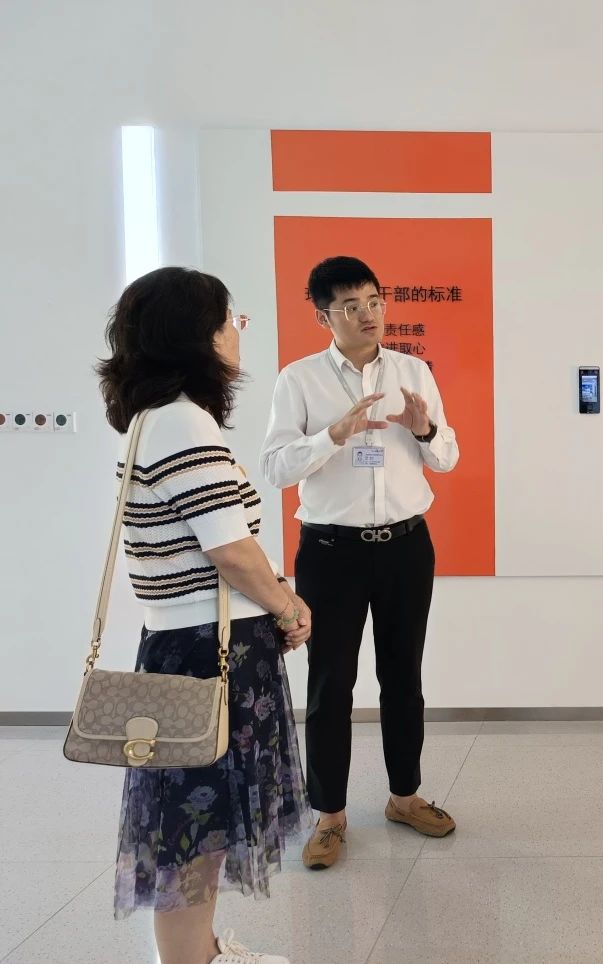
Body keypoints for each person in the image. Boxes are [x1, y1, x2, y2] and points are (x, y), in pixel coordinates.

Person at [97, 267, 313, 964]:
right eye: (230, 320)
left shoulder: (153, 418)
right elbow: (230, 550)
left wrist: (273, 596)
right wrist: (288, 604)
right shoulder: (182, 422)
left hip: (189, 643)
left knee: (197, 827)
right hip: (210, 651)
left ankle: (202, 953)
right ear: (199, 335)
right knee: (194, 832)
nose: (236, 332)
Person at [261, 256, 459, 871]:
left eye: (374, 301)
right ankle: (329, 815)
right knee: (330, 684)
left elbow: (448, 458)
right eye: (351, 306)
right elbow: (274, 469)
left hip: (406, 546)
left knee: (403, 677)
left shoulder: (413, 371)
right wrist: (332, 436)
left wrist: (424, 430)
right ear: (324, 317)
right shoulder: (299, 380)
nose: (368, 314)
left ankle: (405, 796)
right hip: (331, 551)